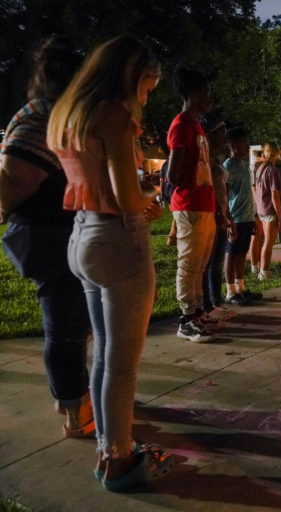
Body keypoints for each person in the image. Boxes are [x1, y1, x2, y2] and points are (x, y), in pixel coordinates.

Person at [47, 35, 173, 490]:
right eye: (146, 87)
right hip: (119, 242)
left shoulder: (69, 114)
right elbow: (125, 196)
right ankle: (119, 460)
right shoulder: (114, 116)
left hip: (82, 236)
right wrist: (152, 195)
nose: (144, 98)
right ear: (131, 75)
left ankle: (109, 446)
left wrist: (136, 199)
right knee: (122, 362)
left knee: (103, 353)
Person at [0, 37, 93, 438]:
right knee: (66, 326)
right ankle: (75, 410)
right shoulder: (41, 117)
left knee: (78, 322)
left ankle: (78, 396)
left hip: (59, 232)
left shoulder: (52, 113)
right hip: (46, 234)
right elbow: (12, 180)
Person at [166, 66, 217, 343]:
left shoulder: (197, 124)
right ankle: (186, 320)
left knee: (200, 263)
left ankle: (197, 311)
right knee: (188, 263)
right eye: (207, 93)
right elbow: (174, 174)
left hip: (204, 204)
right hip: (189, 205)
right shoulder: (182, 124)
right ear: (196, 94)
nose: (210, 98)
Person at [200, 114, 236, 323]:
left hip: (221, 212)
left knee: (216, 260)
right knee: (209, 262)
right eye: (220, 134)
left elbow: (222, 190)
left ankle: (215, 302)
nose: (224, 138)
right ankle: (208, 304)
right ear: (210, 136)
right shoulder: (205, 161)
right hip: (211, 213)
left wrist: (227, 214)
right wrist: (219, 213)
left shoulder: (216, 161)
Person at [223, 127, 261, 304]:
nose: (247, 147)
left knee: (241, 254)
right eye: (244, 143)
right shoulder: (228, 166)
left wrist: (252, 216)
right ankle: (230, 291)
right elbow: (225, 194)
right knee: (231, 255)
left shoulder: (244, 165)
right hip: (235, 219)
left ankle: (241, 287)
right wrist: (228, 219)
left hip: (246, 218)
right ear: (233, 145)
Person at [252, 141, 281, 280]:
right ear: (276, 154)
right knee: (268, 242)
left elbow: (254, 188)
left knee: (262, 240)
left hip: (260, 209)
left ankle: (259, 268)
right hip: (270, 210)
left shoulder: (260, 168)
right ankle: (264, 272)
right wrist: (280, 215)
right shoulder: (273, 171)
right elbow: (275, 195)